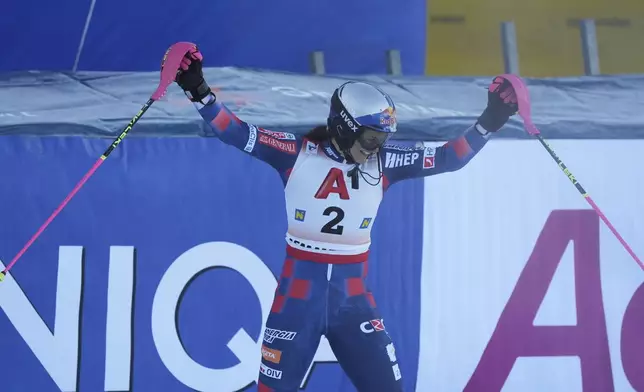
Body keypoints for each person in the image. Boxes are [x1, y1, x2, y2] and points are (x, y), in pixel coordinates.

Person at [174, 47, 517, 392]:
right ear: (343, 127)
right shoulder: (296, 153)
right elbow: (234, 131)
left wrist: (491, 120)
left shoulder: (385, 163)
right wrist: (198, 91)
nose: (376, 149)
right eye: (370, 139)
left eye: (383, 141)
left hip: (354, 308)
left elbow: (449, 158)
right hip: (296, 306)